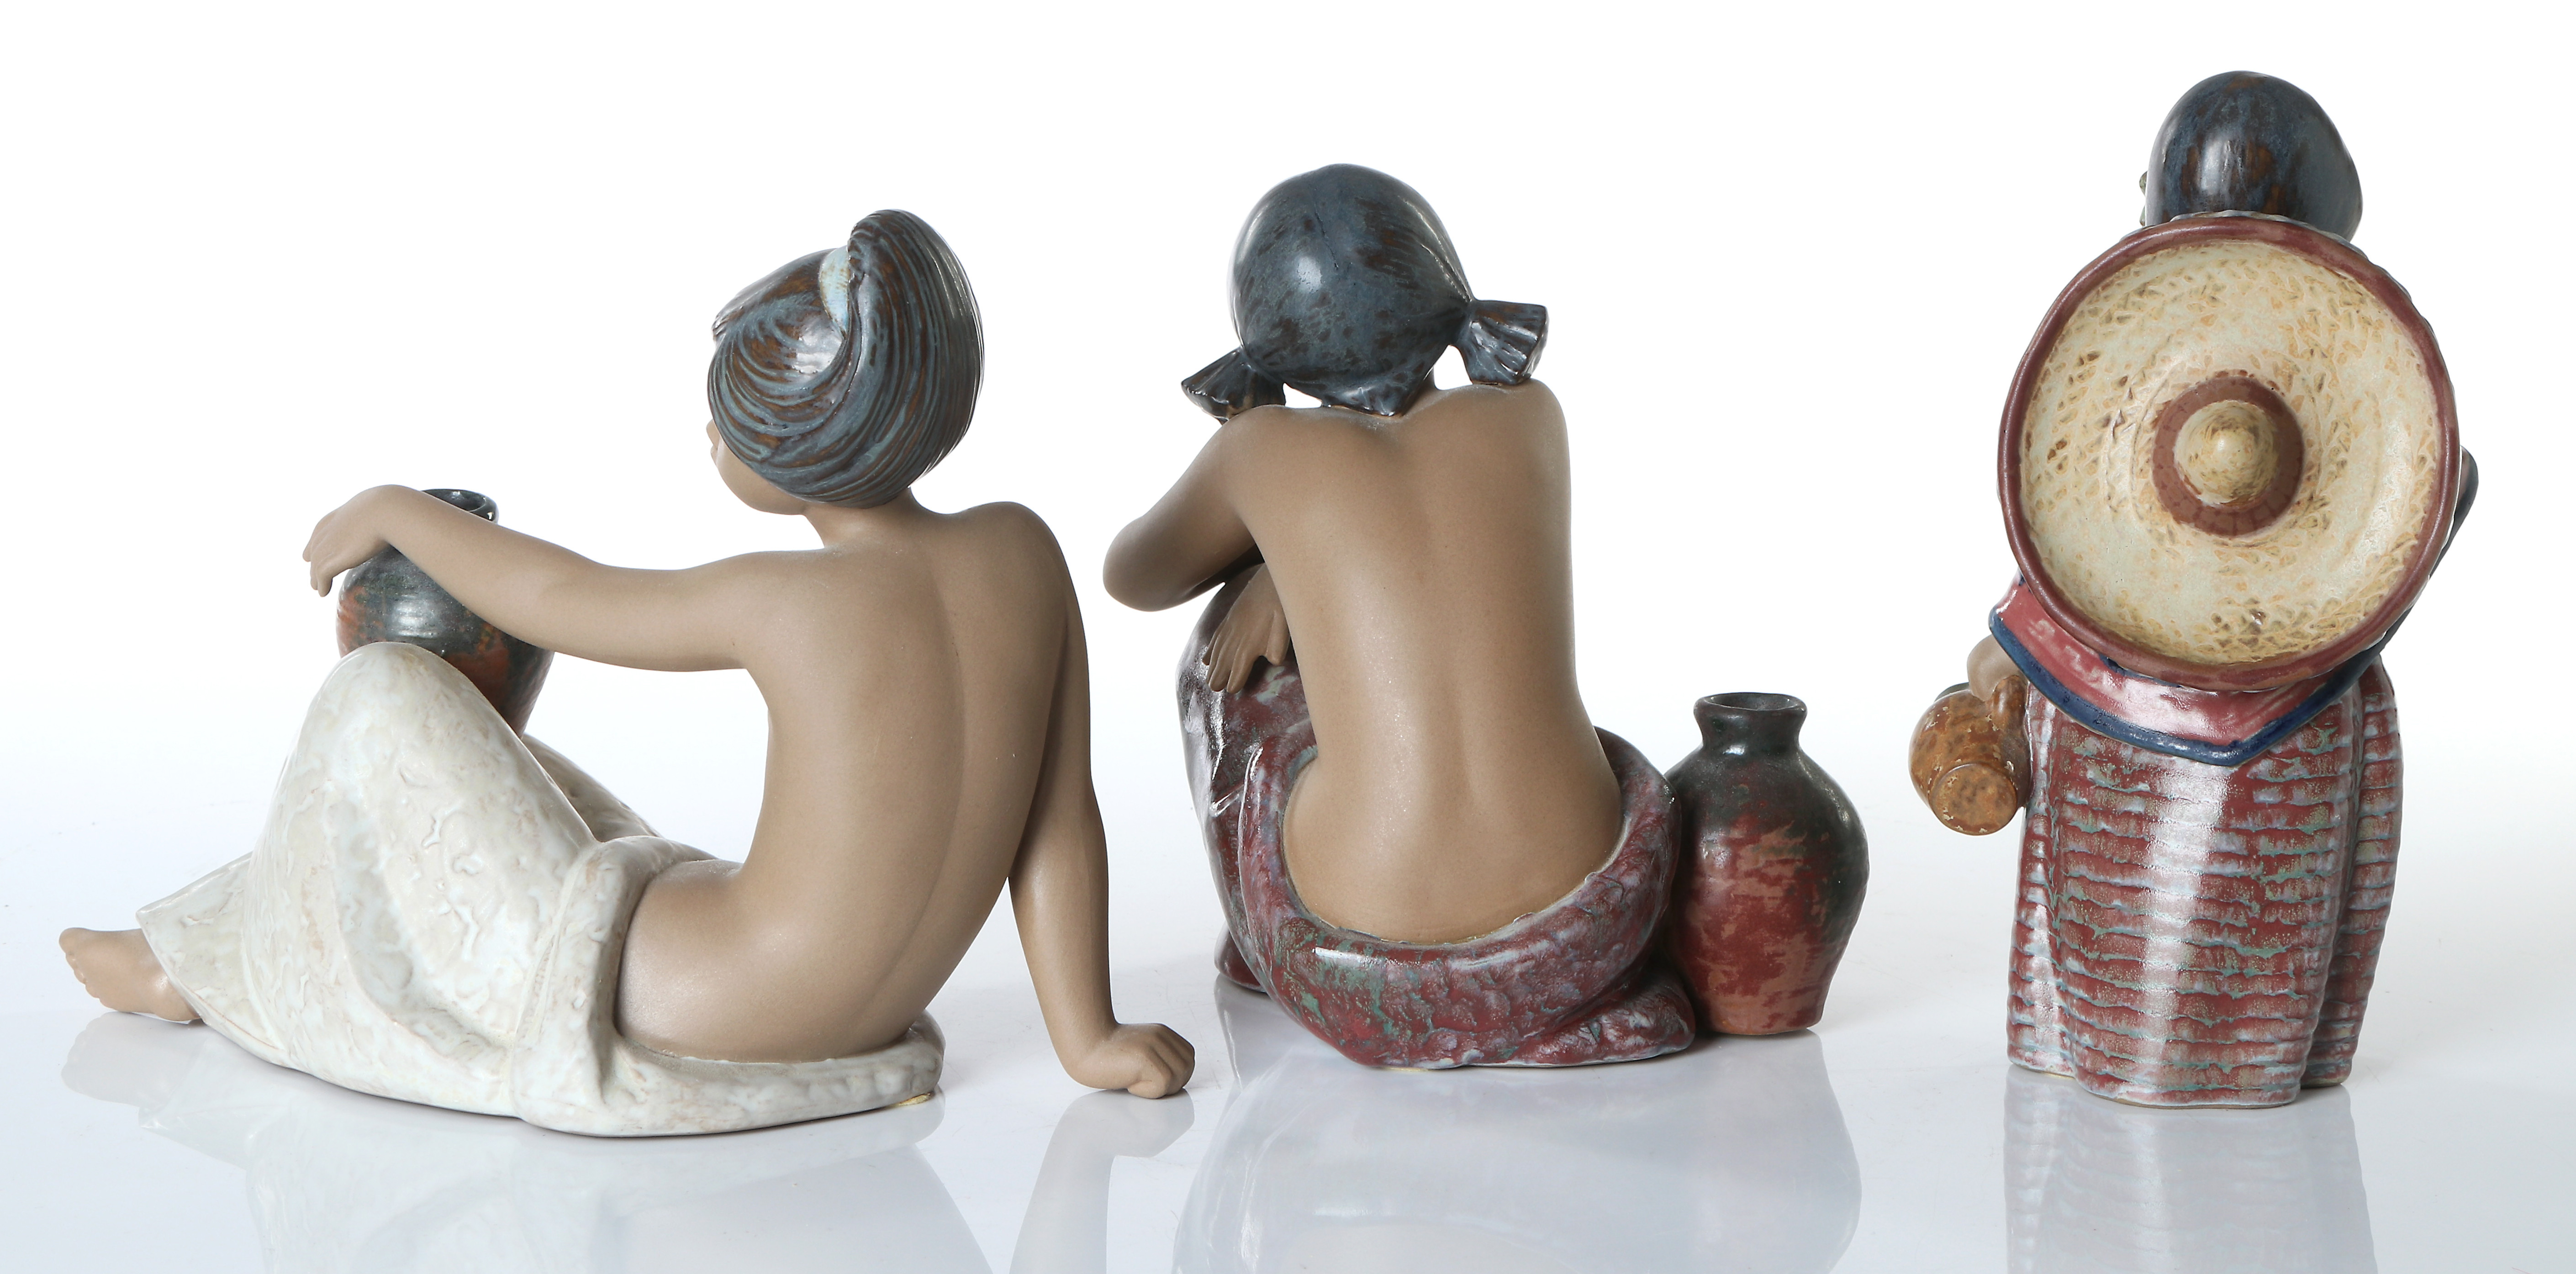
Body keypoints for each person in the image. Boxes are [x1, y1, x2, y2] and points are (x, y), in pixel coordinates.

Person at [62, 210, 1191, 1133]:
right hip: (853, 1014)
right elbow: (1058, 818)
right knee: (494, 757)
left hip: (685, 998)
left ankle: (187, 970)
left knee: (384, 695)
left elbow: (560, 594)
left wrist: (394, 507)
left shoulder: (790, 600)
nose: (710, 435)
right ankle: (186, 947)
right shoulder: (1024, 553)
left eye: (725, 416)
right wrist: (1087, 1037)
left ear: (795, 441)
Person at [1920, 73, 2472, 1108]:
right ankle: (2231, 1062)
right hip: (2255, 724)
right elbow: (2078, 548)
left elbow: (2077, 547)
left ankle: (2181, 1068)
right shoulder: (2398, 437)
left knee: (2150, 968)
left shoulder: (2388, 448)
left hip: (2190, 723)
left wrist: (2013, 650)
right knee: (2204, 960)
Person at [1106, 164, 1692, 1069]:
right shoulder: (1530, 413)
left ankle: (1274, 948)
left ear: (1263, 341)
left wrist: (1271, 551)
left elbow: (1135, 576)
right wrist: (1290, 567)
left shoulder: (1257, 450)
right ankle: (1565, 1006)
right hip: (1597, 899)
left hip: (1360, 940)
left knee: (1224, 668)